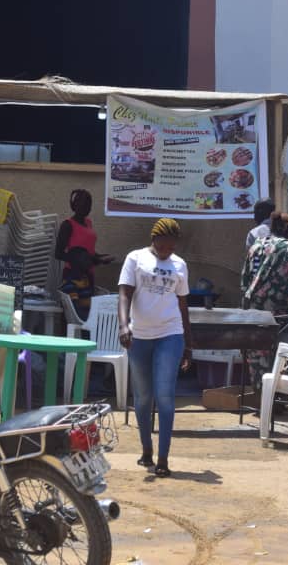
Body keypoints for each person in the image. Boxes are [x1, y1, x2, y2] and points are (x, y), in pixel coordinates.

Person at [117, 218, 192, 479]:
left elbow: (182, 305)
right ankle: (146, 448)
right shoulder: (135, 258)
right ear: (154, 239)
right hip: (139, 336)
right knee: (143, 397)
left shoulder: (179, 265)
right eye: (163, 246)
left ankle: (163, 458)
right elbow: (124, 293)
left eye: (172, 247)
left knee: (165, 395)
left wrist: (188, 346)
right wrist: (124, 325)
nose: (167, 251)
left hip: (170, 334)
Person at [55, 189, 114, 318]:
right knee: (75, 315)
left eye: (88, 204)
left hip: (88, 275)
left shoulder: (88, 223)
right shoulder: (68, 225)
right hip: (73, 275)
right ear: (74, 205)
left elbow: (88, 250)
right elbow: (58, 253)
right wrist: (80, 260)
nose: (86, 207)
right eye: (82, 204)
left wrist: (99, 257)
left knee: (88, 312)